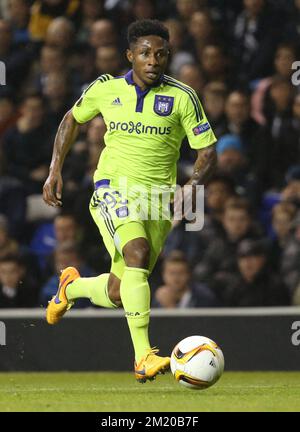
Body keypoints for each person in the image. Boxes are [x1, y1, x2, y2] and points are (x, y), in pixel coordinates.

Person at [43, 19, 217, 383]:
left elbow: (207, 150)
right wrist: (55, 168)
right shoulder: (105, 89)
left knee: (120, 291)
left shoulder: (183, 97)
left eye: (161, 54)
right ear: (130, 56)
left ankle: (70, 288)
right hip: (112, 189)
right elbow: (71, 120)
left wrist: (191, 185)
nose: (153, 60)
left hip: (158, 201)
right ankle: (143, 357)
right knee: (136, 251)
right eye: (145, 54)